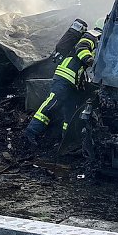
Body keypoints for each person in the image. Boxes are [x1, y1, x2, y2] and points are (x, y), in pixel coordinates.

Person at [24, 20, 103, 149]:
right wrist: (89, 60)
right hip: (66, 75)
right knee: (53, 103)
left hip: (74, 82)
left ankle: (66, 141)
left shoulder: (100, 42)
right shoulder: (92, 36)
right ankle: (30, 132)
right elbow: (82, 47)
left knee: (70, 112)